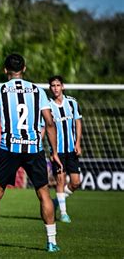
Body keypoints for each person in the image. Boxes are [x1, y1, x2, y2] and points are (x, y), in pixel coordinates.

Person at [0, 54, 63, 252]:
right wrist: (54, 152)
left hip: (9, 148)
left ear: (5, 70)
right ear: (24, 68)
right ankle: (51, 242)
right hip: (33, 148)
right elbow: (50, 122)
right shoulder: (37, 90)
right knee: (43, 193)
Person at [48, 75, 82, 223]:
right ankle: (63, 213)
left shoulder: (72, 103)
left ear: (63, 86)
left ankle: (56, 202)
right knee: (60, 180)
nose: (55, 88)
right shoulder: (48, 106)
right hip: (58, 150)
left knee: (75, 182)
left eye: (57, 85)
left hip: (71, 149)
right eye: (53, 86)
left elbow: (78, 123)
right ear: (50, 88)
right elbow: (45, 127)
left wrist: (78, 142)